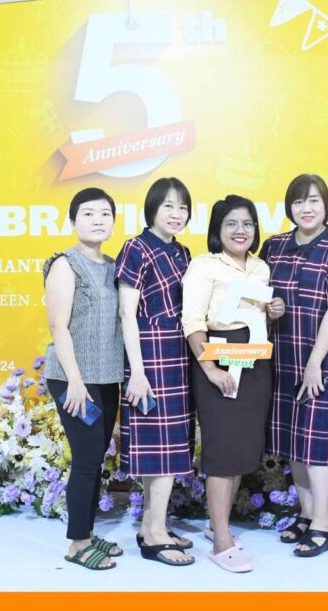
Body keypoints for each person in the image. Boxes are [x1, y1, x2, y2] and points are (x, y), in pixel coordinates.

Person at [259, 174, 328, 557]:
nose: (306, 208)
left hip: (326, 359)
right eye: (299, 201)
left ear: (326, 205)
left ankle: (324, 522)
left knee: (317, 444)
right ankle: (305, 514)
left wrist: (315, 362)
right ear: (290, 207)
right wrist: (270, 308)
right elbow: (261, 298)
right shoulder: (275, 246)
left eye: (314, 201)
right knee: (293, 441)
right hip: (284, 355)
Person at [182, 195, 279, 573]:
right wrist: (209, 369)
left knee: (241, 447)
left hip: (254, 361)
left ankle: (215, 524)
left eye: (247, 223)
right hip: (218, 359)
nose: (241, 231)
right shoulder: (204, 266)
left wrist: (274, 310)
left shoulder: (261, 268)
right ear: (217, 229)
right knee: (222, 449)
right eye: (231, 224)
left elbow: (257, 317)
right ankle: (222, 539)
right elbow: (193, 321)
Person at [42, 188, 125, 571]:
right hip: (74, 380)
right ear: (73, 221)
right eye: (88, 213)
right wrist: (75, 381)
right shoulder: (65, 264)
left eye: (105, 213)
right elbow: (58, 326)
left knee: (96, 459)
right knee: (87, 461)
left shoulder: (112, 265)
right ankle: (77, 544)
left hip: (106, 378)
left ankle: (88, 534)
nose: (97, 220)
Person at [117, 177, 196, 566]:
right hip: (149, 356)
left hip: (178, 355)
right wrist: (137, 371)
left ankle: (152, 524)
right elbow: (126, 312)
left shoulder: (182, 252)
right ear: (152, 208)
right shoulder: (136, 247)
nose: (176, 213)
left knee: (169, 445)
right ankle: (155, 536)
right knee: (159, 449)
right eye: (168, 206)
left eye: (182, 207)